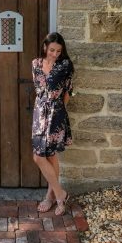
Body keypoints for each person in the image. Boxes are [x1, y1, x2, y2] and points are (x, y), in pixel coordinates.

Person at [31, 32, 74, 216]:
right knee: (39, 157)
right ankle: (60, 193)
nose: (55, 54)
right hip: (40, 112)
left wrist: (58, 113)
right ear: (45, 48)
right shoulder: (36, 64)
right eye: (52, 50)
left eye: (58, 51)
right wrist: (41, 112)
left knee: (51, 155)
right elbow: (38, 90)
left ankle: (50, 197)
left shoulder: (65, 65)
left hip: (56, 113)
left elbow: (67, 93)